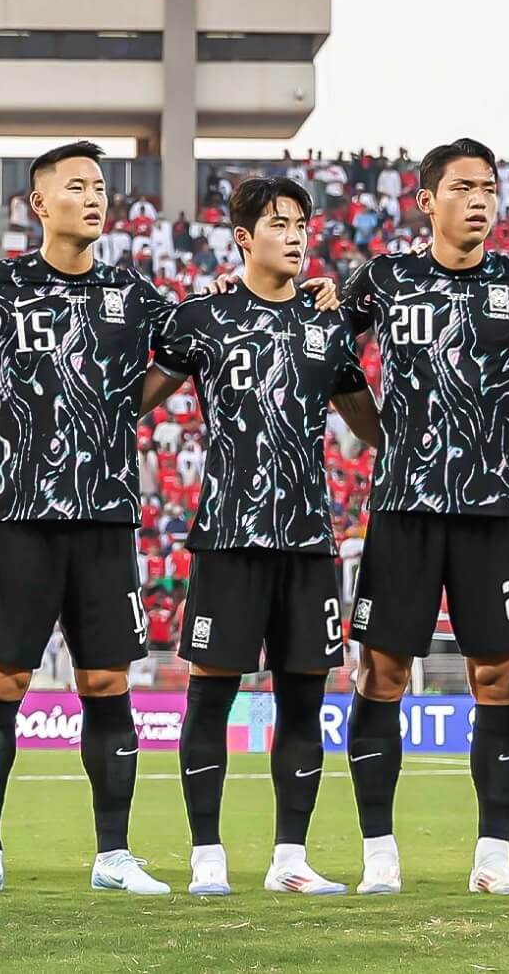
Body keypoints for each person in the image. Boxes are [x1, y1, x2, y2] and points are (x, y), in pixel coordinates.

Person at [0, 141, 179, 897]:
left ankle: (113, 854)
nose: (95, 196)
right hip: (21, 514)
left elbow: (186, 352)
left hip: (106, 516)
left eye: (101, 186)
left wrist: (126, 406)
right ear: (39, 203)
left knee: (107, 679)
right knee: (3, 678)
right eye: (77, 185)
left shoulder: (131, 291)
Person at [140, 177, 380, 898]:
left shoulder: (325, 324)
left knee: (305, 697)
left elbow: (369, 424)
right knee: (210, 694)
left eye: (302, 222)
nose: (296, 233)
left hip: (308, 537)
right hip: (228, 535)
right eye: (279, 223)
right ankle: (206, 852)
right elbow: (135, 398)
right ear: (244, 238)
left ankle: (289, 856)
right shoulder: (201, 318)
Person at [340, 137, 509, 897]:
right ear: (425, 199)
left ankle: (493, 855)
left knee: (497, 674)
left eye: (489, 188)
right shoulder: (383, 278)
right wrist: (379, 432)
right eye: (463, 186)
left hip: (494, 506)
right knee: (382, 671)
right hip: (403, 505)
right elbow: (322, 345)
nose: (479, 199)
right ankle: (379, 852)